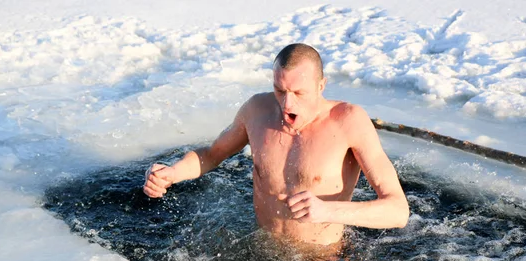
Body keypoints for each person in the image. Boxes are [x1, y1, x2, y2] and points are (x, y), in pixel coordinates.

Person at [143, 43, 409, 248]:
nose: (287, 105)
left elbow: (397, 211)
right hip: (265, 251)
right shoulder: (257, 110)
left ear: (321, 85)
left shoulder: (348, 121)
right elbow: (212, 154)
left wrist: (328, 210)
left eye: (299, 93)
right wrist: (172, 173)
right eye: (280, 91)